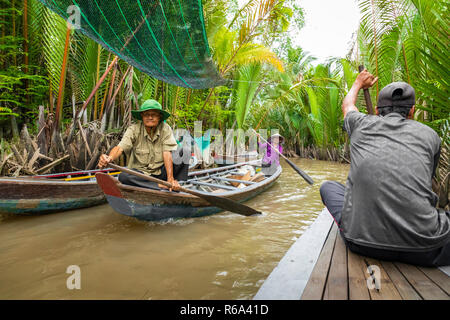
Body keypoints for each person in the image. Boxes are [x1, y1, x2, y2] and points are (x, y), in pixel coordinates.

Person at [319, 69, 449, 267]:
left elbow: (348, 106)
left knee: (328, 187)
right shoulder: (430, 135)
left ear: (378, 111)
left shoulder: (361, 124)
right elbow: (427, 184)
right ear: (412, 111)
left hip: (362, 243)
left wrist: (358, 83)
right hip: (424, 249)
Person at [97, 99, 189, 191]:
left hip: (161, 172)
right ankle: (160, 185)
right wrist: (109, 158)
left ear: (159, 117)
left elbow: (167, 153)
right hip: (141, 174)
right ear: (142, 116)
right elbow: (120, 148)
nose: (150, 117)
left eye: (154, 115)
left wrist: (170, 179)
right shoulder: (133, 130)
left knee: (184, 152)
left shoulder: (165, 129)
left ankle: (177, 183)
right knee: (124, 176)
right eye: (146, 115)